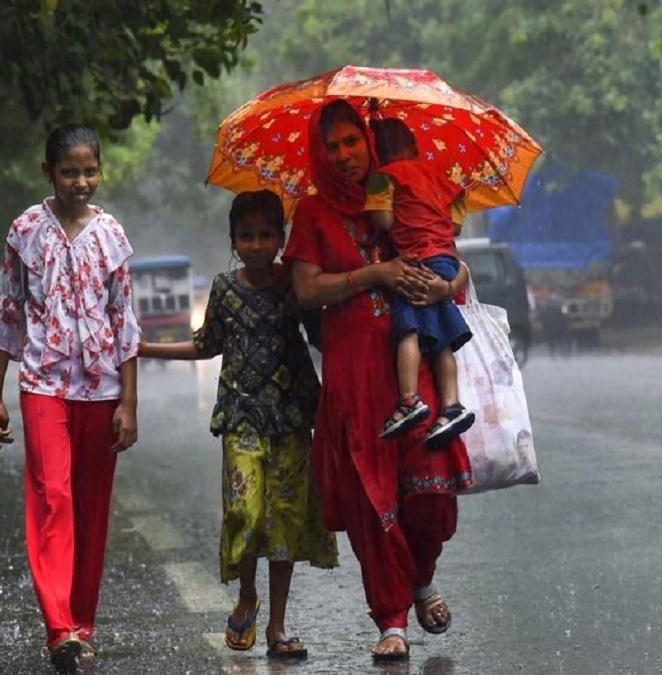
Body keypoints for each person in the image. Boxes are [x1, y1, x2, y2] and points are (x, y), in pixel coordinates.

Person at [283, 100, 472, 662]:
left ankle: (421, 576)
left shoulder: (400, 192)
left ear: (370, 142)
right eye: (333, 146)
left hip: (415, 376)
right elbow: (306, 291)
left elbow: (451, 261)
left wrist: (447, 286)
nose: (344, 155)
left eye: (352, 142)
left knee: (431, 488)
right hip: (356, 377)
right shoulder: (313, 214)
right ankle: (391, 617)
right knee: (374, 498)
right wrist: (375, 273)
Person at [139, 189, 338, 660]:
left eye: (266, 234)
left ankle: (277, 626)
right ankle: (247, 594)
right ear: (233, 240)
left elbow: (324, 334)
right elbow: (206, 345)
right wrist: (146, 349)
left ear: (280, 238)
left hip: (291, 417)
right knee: (244, 513)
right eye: (246, 236)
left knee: (285, 521)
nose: (256, 244)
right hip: (241, 419)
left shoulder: (295, 285)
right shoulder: (225, 290)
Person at [0, 124, 140, 671]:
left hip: (102, 389)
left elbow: (124, 323)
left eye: (89, 171)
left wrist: (129, 403)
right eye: (69, 172)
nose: (81, 182)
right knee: (55, 497)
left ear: (100, 171)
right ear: (48, 171)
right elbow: (8, 313)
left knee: (93, 508)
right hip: (43, 384)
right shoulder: (25, 230)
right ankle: (58, 628)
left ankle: (82, 623)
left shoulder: (113, 236)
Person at [364, 118, 474, 446]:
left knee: (408, 331)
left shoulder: (383, 177)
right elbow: (455, 227)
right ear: (414, 145)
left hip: (415, 261)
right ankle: (452, 405)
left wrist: (382, 204)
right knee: (439, 339)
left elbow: (383, 221)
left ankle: (409, 400)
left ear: (378, 155)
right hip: (445, 261)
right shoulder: (442, 178)